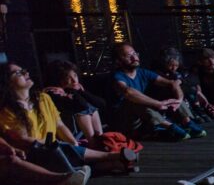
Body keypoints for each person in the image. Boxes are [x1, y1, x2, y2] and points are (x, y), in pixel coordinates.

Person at [0, 62, 136, 177]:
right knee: (60, 150)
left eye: (24, 70)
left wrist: (73, 142)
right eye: (18, 73)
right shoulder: (7, 110)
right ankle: (114, 157)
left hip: (55, 148)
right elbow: (24, 139)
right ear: (8, 82)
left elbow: (59, 125)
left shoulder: (42, 98)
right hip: (33, 153)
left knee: (69, 151)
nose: (25, 73)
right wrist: (57, 145)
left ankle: (114, 164)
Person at [109, 42, 199, 140]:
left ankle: (188, 123)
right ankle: (170, 127)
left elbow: (172, 83)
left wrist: (179, 99)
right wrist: (157, 103)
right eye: (128, 56)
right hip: (124, 122)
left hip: (143, 119)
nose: (134, 58)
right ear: (118, 61)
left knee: (169, 92)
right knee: (134, 100)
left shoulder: (143, 72)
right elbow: (128, 92)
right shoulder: (117, 76)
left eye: (134, 54)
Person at [44, 60, 107, 148]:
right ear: (60, 80)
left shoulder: (75, 88)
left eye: (75, 75)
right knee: (83, 111)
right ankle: (94, 144)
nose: (74, 80)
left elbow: (101, 104)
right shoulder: (53, 92)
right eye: (68, 78)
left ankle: (101, 140)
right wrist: (74, 91)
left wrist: (81, 91)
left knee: (92, 108)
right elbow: (81, 105)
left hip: (80, 124)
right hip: (67, 126)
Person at [154, 46, 209, 124]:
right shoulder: (158, 72)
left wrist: (180, 80)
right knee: (188, 90)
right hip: (167, 94)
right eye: (171, 65)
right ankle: (192, 114)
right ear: (164, 62)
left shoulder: (179, 70)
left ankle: (197, 109)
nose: (174, 68)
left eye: (176, 65)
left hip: (183, 91)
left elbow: (192, 78)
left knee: (192, 88)